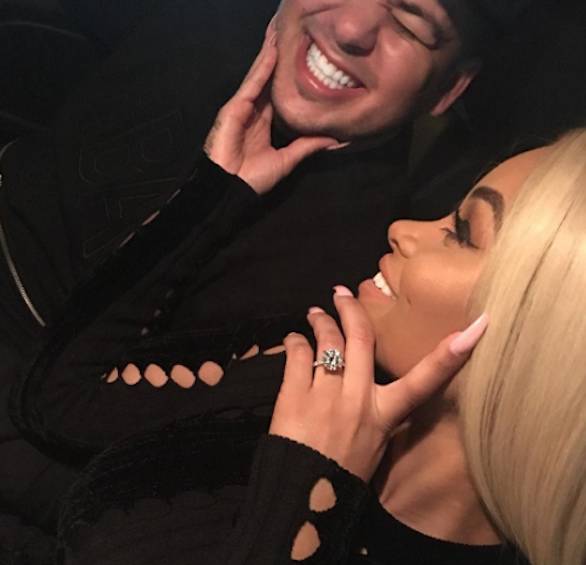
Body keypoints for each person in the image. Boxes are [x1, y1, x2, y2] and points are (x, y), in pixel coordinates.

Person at [10, 24, 586, 562]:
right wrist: (214, 196)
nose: (404, 230)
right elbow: (60, 403)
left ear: (542, 343)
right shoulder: (325, 369)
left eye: (462, 233)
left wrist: (310, 483)